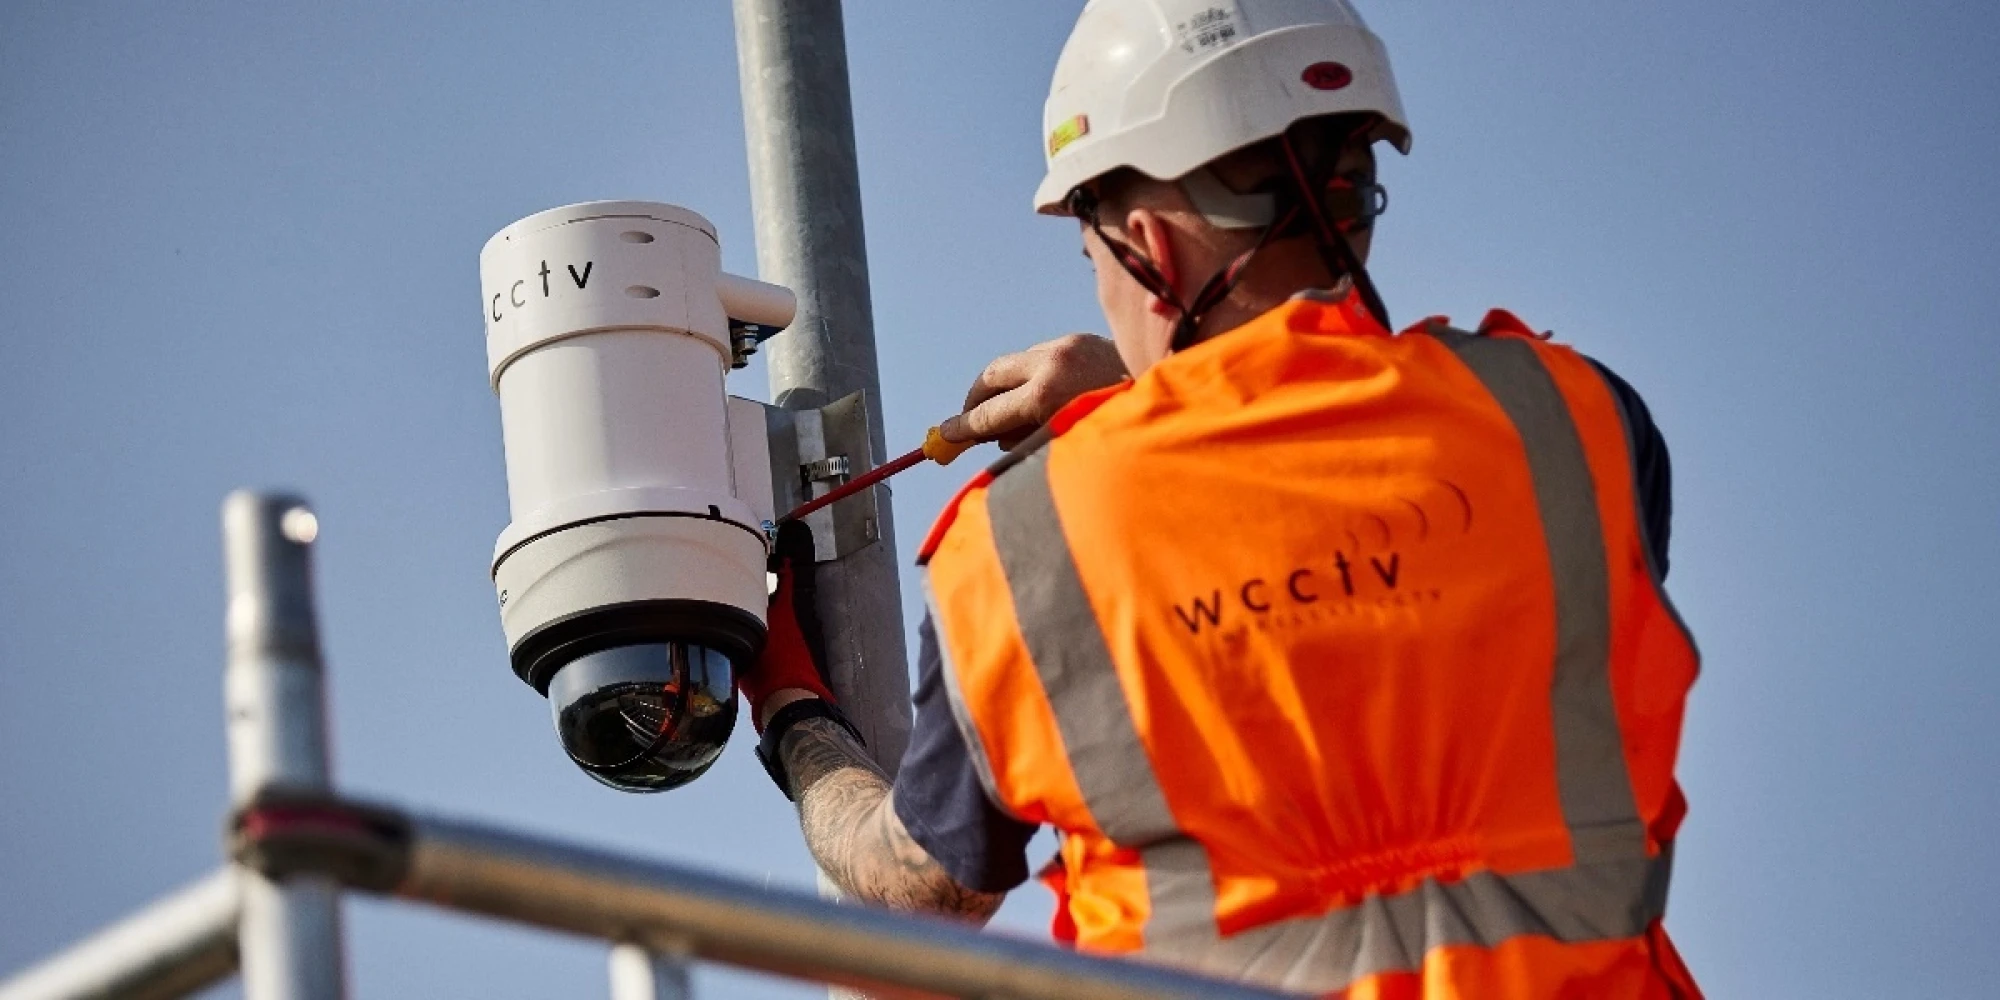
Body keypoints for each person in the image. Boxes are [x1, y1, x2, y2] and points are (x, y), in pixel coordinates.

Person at [736, 0, 1703, 995]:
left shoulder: (1029, 543)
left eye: (1091, 262)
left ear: (1145, 246)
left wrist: (790, 705)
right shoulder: (1575, 422)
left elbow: (919, 893)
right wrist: (1144, 407)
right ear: (1353, 200)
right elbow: (1342, 507)